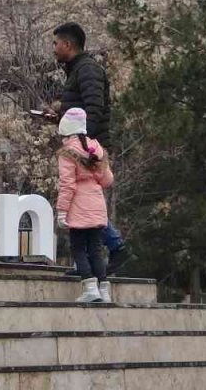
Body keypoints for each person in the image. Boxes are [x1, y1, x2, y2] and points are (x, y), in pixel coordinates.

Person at [52, 22, 133, 275]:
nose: (53, 49)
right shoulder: (77, 70)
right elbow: (79, 111)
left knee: (84, 201)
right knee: (84, 202)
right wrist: (58, 116)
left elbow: (93, 109)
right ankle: (87, 264)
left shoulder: (87, 70)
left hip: (89, 148)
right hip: (84, 145)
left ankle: (116, 246)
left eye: (55, 43)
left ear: (67, 44)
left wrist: (86, 145)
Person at [55, 108, 115, 303]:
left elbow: (67, 184)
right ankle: (104, 288)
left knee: (78, 248)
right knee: (96, 248)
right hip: (97, 204)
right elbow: (107, 180)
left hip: (78, 206)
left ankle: (90, 287)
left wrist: (62, 211)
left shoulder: (67, 152)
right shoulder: (96, 148)